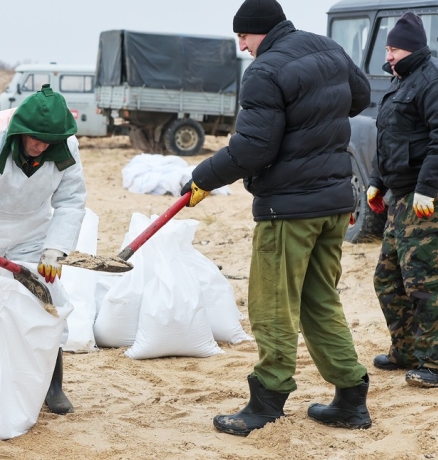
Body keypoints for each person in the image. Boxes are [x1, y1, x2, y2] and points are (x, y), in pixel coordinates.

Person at [181, 0, 372, 436]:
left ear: (259, 31)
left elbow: (253, 149)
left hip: (289, 208)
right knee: (318, 299)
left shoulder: (264, 72)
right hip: (335, 203)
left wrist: (204, 177)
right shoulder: (327, 49)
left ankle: (266, 401)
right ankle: (350, 398)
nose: (242, 46)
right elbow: (359, 96)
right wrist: (316, 121)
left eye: (243, 36)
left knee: (272, 304)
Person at [0, 83, 86, 415]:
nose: (40, 146)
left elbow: (71, 200)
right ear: (20, 130)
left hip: (32, 229)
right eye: (34, 138)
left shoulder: (66, 146)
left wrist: (56, 248)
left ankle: (53, 386)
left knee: (45, 299)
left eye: (47, 142)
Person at [366, 12, 438, 388]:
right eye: (388, 48)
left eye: (392, 48)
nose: (388, 55)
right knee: (388, 278)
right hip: (401, 196)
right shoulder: (401, 81)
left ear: (410, 47)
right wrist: (377, 181)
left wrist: (426, 187)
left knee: (427, 281)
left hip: (429, 196)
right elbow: (388, 138)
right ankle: (405, 350)